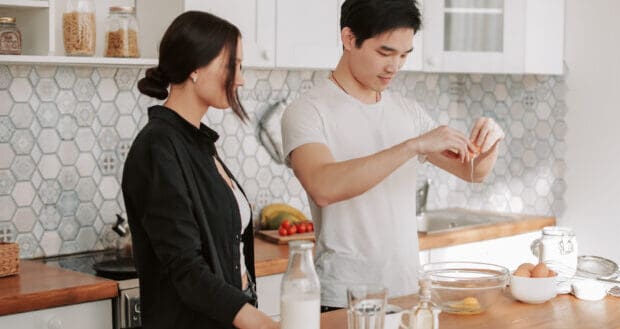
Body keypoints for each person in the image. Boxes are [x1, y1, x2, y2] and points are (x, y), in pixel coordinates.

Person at [281, 0, 505, 310]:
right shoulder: (308, 110)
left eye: (403, 55)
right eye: (384, 53)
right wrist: (413, 146)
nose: (394, 67)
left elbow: (473, 172)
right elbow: (323, 187)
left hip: (407, 292)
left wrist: (490, 143)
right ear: (348, 39)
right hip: (344, 297)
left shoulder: (407, 111)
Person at [122, 11, 278, 329]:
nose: (241, 78)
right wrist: (262, 323)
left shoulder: (196, 141)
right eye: (232, 66)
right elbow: (185, 268)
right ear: (195, 67)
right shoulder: (158, 147)